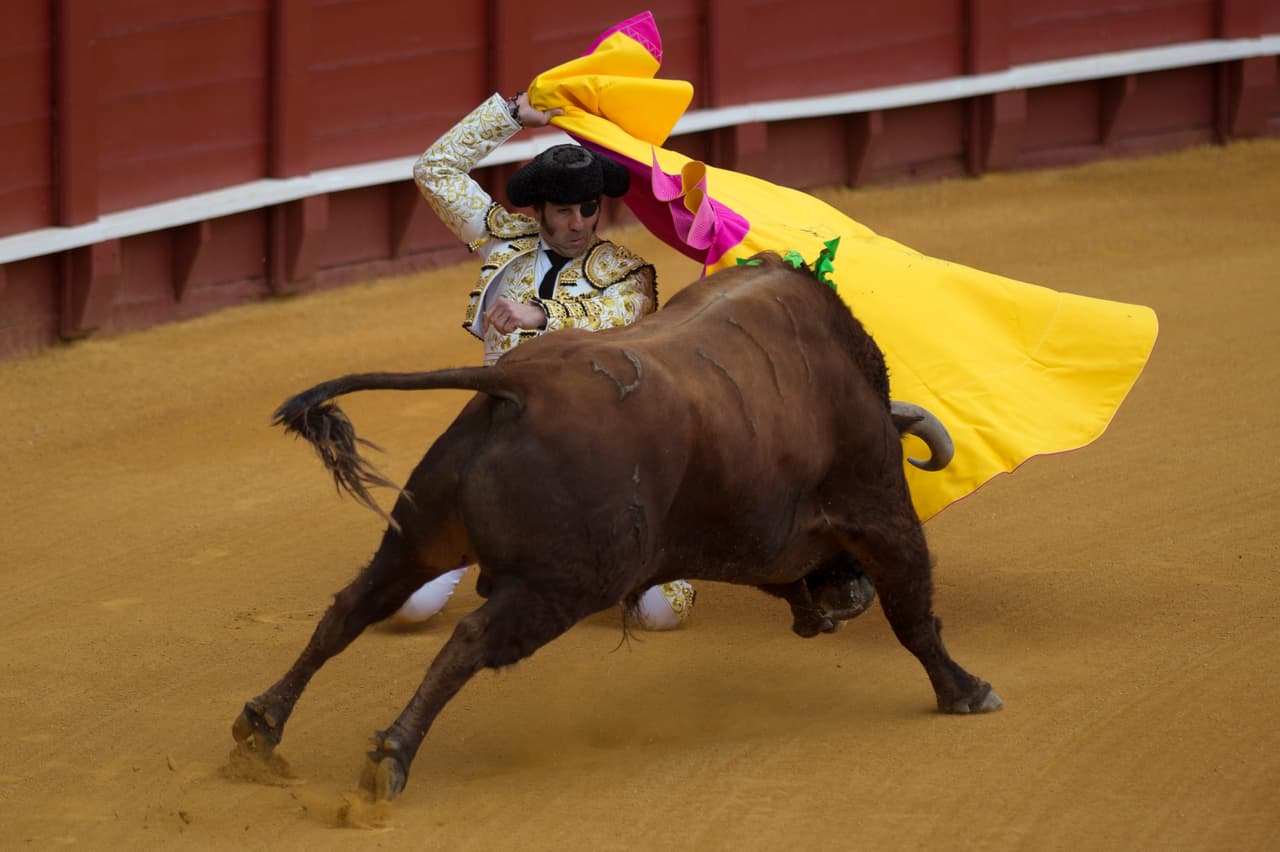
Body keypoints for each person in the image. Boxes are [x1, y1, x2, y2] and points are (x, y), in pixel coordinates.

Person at [398, 89, 696, 630]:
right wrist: (509, 115)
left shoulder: (629, 273)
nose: (580, 222)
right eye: (565, 211)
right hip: (500, 431)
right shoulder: (501, 240)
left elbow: (616, 314)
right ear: (538, 211)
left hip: (593, 443)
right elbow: (434, 171)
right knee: (409, 604)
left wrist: (540, 314)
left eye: (589, 208)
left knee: (662, 611)